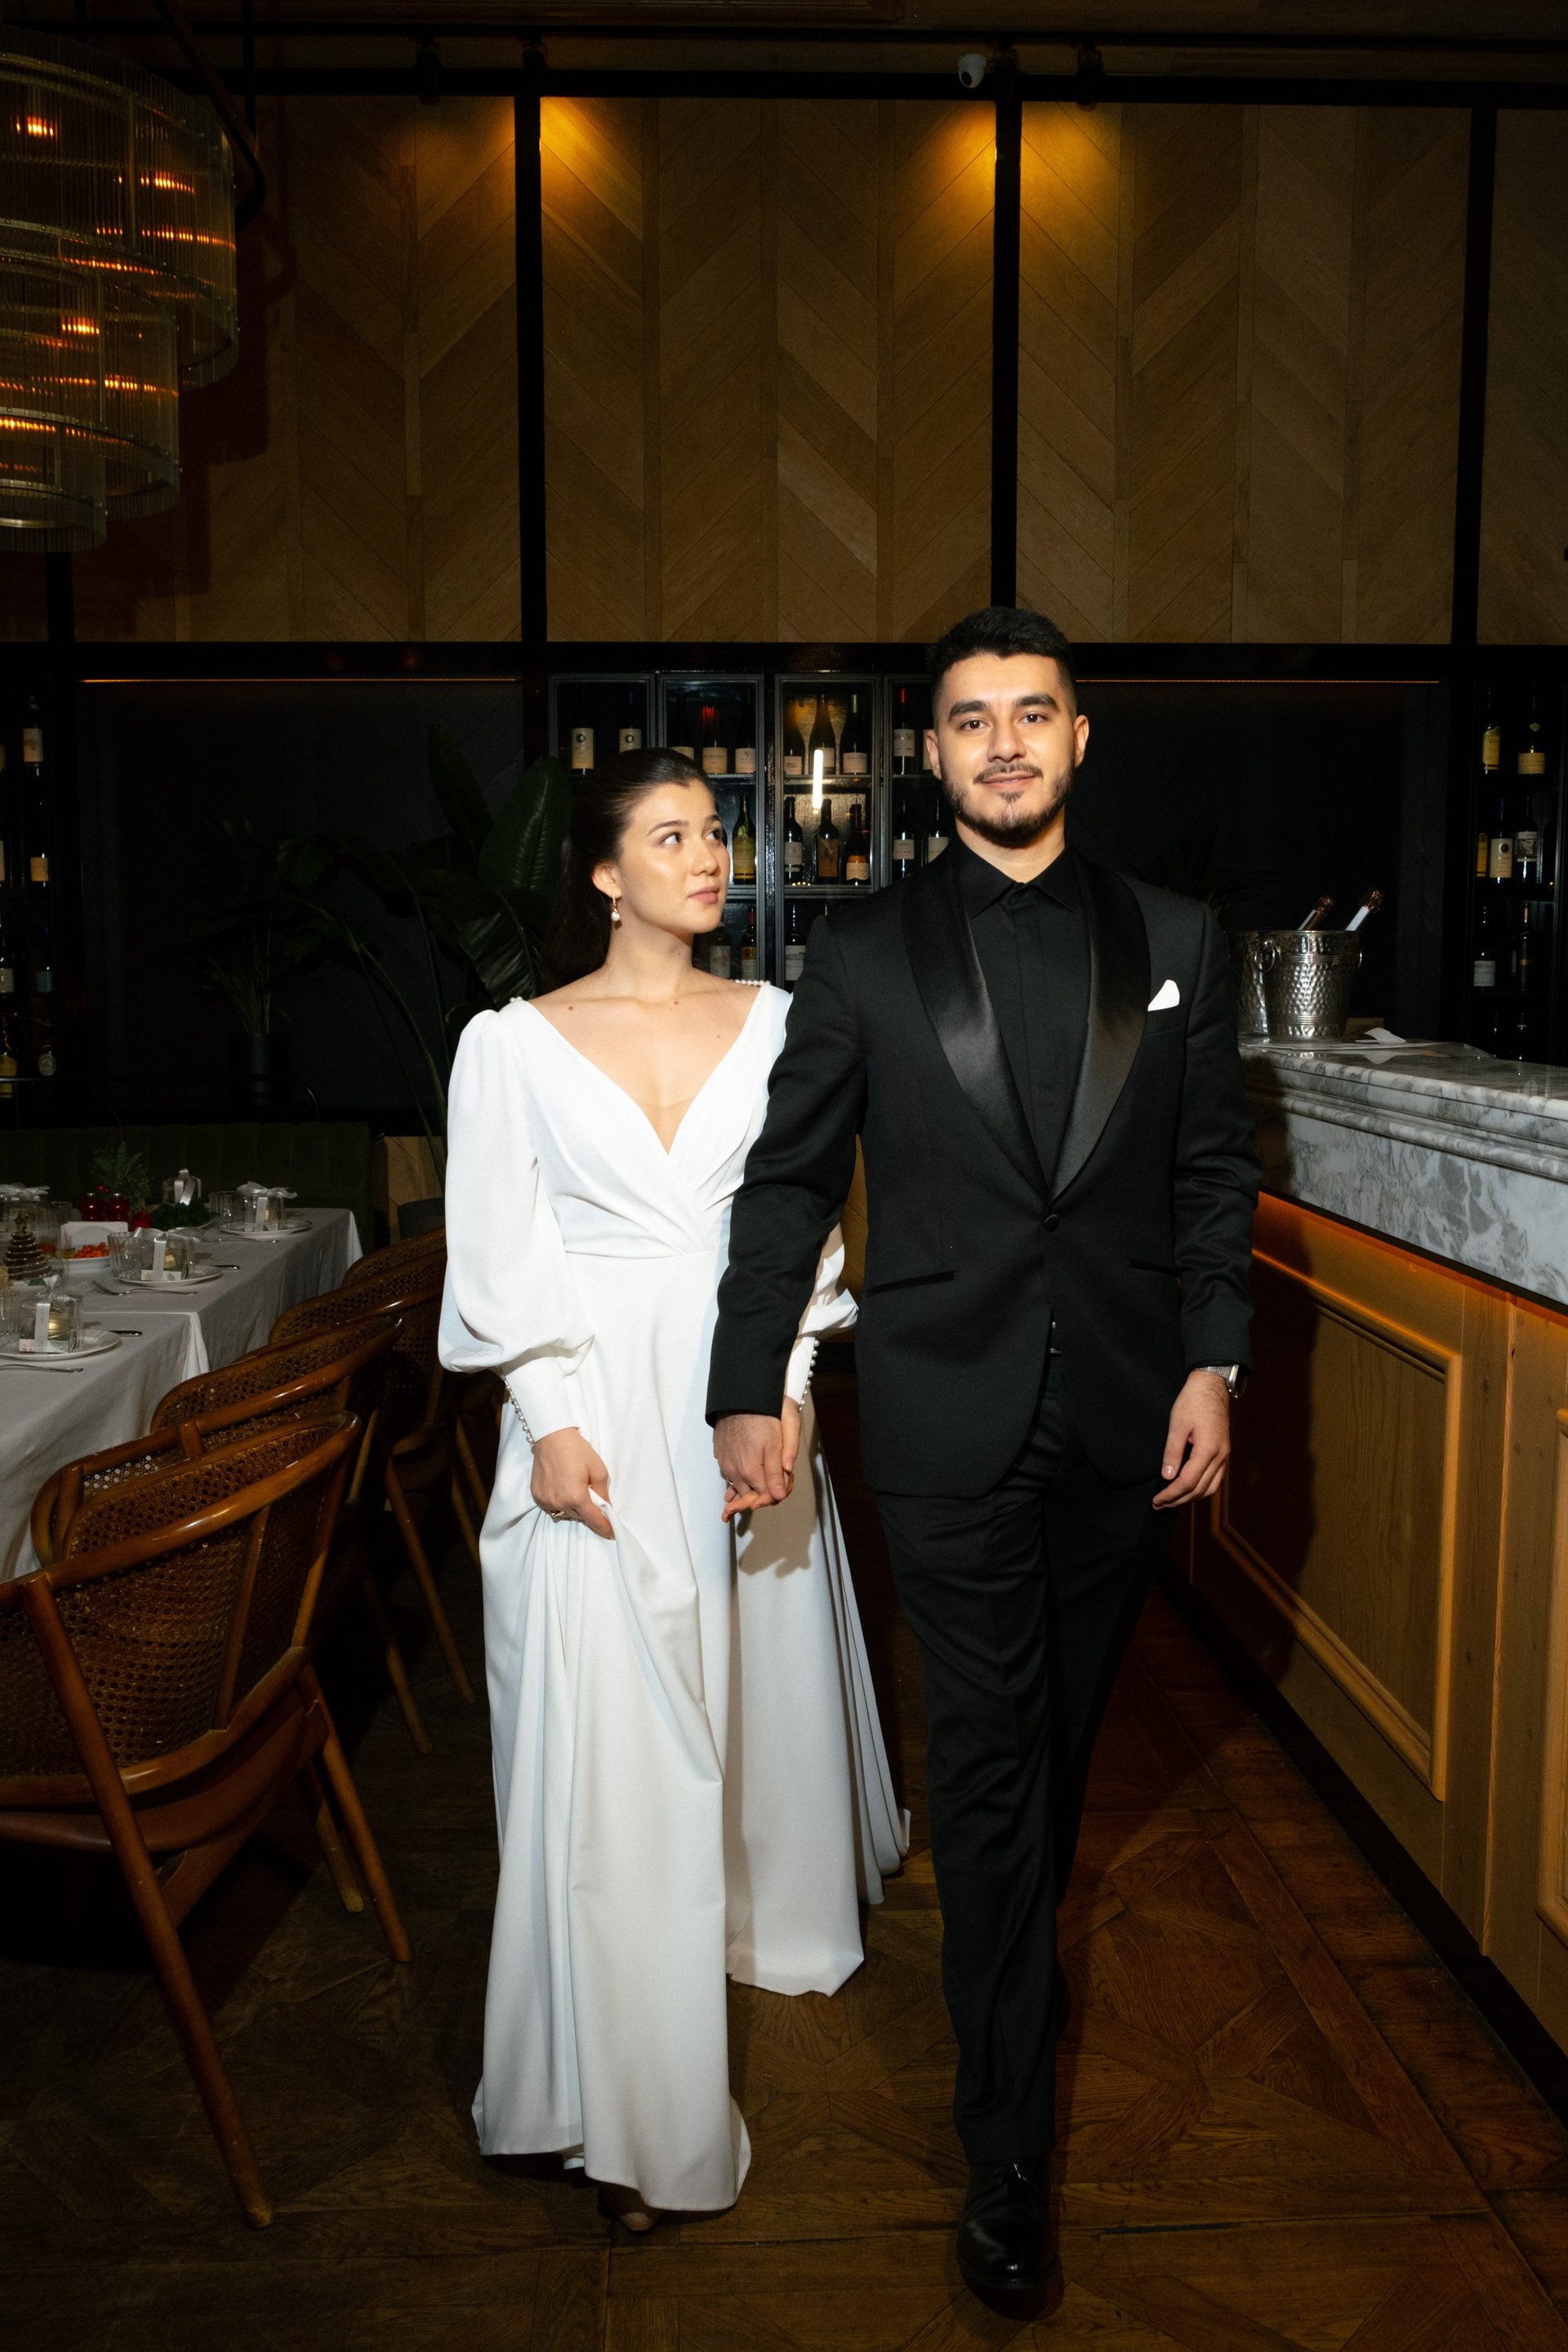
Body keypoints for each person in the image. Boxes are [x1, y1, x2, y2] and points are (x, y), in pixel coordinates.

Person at [708, 608, 1259, 2298]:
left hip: (1125, 1421)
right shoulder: (863, 950)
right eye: (971, 719)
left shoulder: (1177, 936)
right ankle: (1006, 2151)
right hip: (944, 1420)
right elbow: (790, 1181)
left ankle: (1012, 1967)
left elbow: (1212, 1173)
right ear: (931, 753)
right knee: (991, 1770)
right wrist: (746, 1381)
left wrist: (1215, 1359)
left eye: (1033, 713)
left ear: (1078, 740)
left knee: (1055, 1750)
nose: (1004, 742)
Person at [439, 749, 906, 2233]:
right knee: (610, 1749)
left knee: (746, 1682)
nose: (710, 856)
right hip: (591, 1417)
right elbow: (499, 1245)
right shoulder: (512, 1044)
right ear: (602, 872)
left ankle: (751, 1910)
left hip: (739, 1396)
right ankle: (623, 2094)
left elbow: (804, 1225)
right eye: (671, 836)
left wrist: (790, 1389)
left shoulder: (779, 1021)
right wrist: (547, 1420)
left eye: (716, 832)